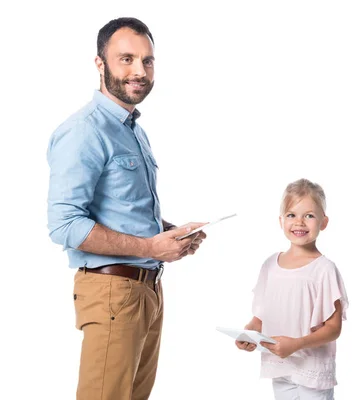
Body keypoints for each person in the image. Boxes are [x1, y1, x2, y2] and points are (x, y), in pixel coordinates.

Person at [46, 17, 206, 400]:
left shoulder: (131, 128)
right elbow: (64, 225)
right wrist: (151, 248)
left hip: (146, 292)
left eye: (148, 61)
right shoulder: (85, 130)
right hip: (112, 292)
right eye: (127, 59)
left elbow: (123, 210)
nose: (140, 71)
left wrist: (168, 233)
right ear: (100, 64)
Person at [237, 178, 349, 400]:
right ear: (281, 221)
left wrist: (297, 344)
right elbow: (260, 317)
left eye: (309, 215)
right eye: (291, 215)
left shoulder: (324, 269)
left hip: (313, 370)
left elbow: (333, 328)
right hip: (280, 365)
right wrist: (248, 334)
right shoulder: (270, 265)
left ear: (323, 222)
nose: (299, 222)